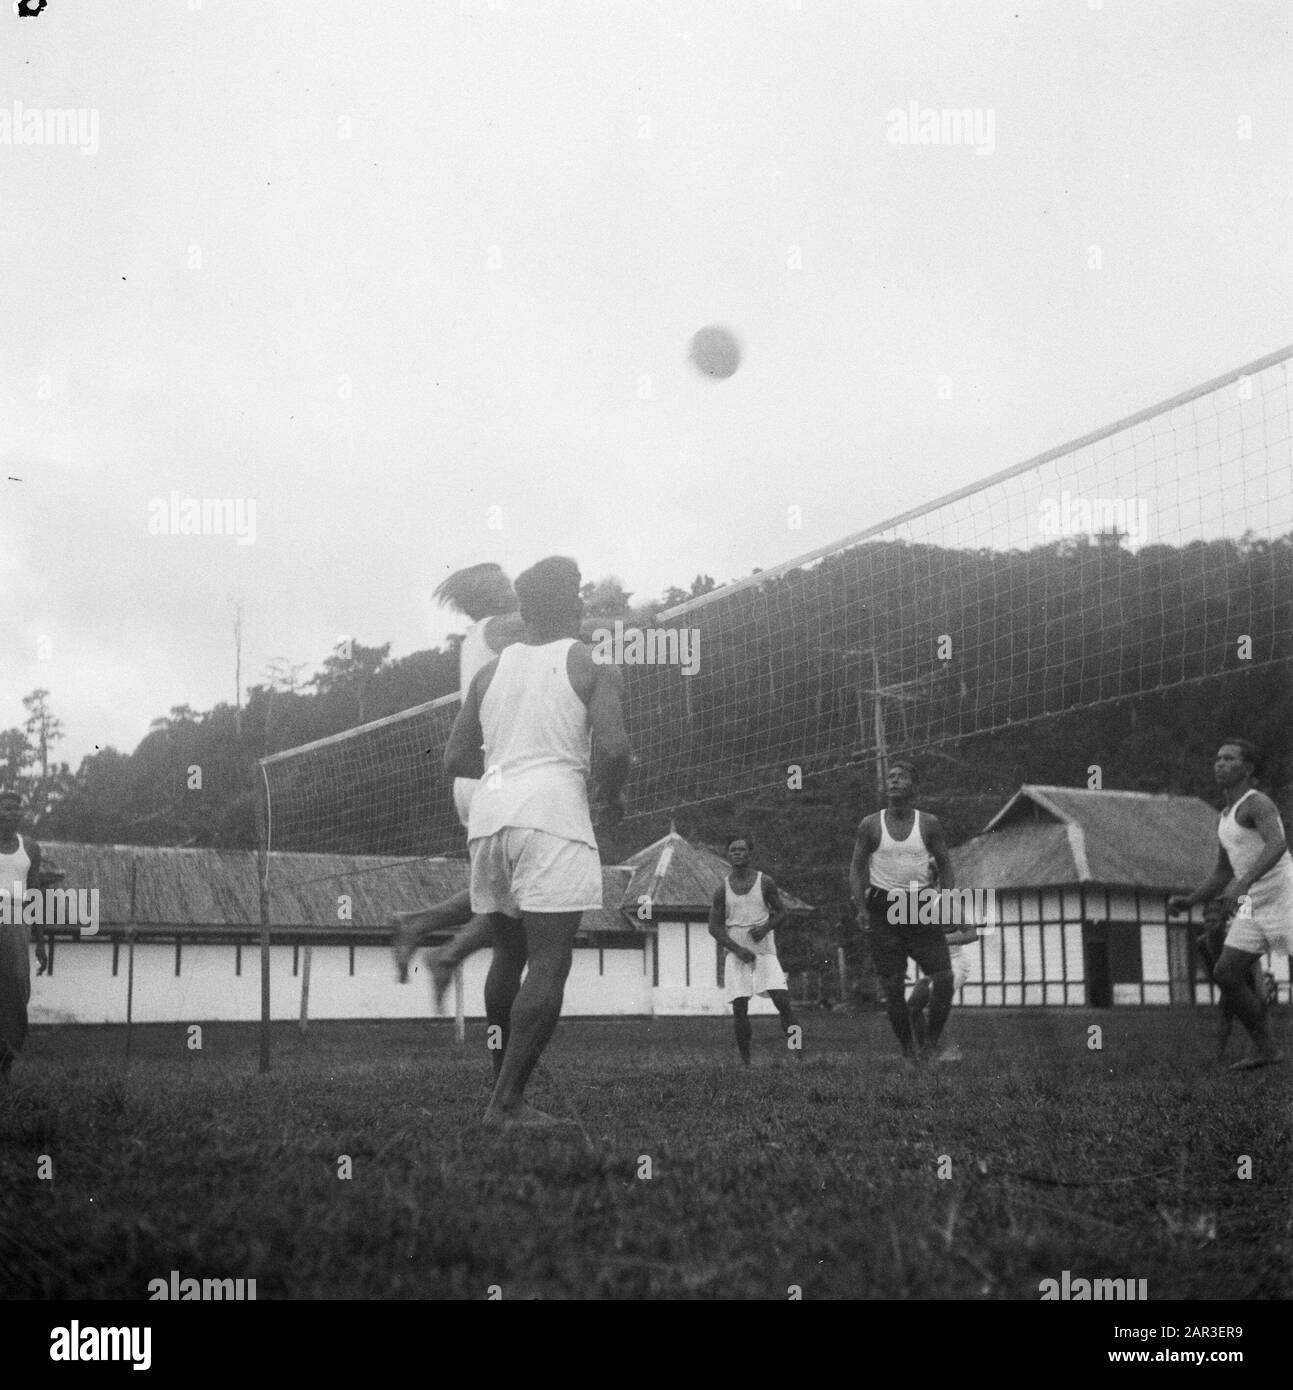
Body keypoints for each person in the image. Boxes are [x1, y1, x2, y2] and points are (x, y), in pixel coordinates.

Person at [443, 555, 630, 1127]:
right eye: (577, 593)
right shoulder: (591, 662)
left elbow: (453, 759)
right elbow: (617, 751)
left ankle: (501, 1087)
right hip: (552, 815)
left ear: (524, 609)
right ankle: (507, 1103)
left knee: (508, 956)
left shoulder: (487, 673)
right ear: (571, 604)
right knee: (549, 964)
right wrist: (612, 797)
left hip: (490, 816)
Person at [390, 564, 527, 1004]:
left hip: (479, 778)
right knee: (519, 899)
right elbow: (566, 624)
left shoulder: (478, 637)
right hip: (494, 773)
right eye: (504, 581)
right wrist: (639, 625)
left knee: (507, 894)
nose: (513, 586)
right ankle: (439, 947)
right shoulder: (503, 626)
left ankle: (430, 936)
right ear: (490, 594)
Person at [1169, 738, 1292, 1070]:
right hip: (1252, 903)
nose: (1218, 764)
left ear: (1248, 768)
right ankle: (1266, 1048)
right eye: (1217, 758)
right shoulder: (1224, 818)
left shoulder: (1258, 803)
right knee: (1226, 972)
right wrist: (1190, 899)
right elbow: (1224, 872)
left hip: (1284, 896)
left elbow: (1278, 844)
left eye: (1228, 759)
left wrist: (1244, 882)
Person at [849, 760, 958, 1063]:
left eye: (902, 777)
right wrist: (860, 906)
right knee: (893, 986)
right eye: (891, 777)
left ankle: (931, 1044)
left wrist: (947, 902)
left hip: (919, 905)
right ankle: (908, 1049)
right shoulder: (870, 824)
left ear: (913, 785)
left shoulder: (929, 823)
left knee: (945, 979)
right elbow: (857, 869)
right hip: (883, 907)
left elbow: (946, 865)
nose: (894, 781)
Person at [707, 835, 798, 1065]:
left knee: (782, 1002)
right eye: (732, 850)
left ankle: (798, 1055)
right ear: (728, 855)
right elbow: (714, 926)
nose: (736, 853)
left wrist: (766, 927)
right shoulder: (722, 889)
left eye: (741, 849)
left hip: (764, 950)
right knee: (739, 1008)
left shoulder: (764, 882)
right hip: (737, 954)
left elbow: (783, 912)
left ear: (750, 854)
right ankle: (745, 1062)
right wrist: (736, 949)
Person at [0, 790, 48, 1082]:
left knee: (17, 991)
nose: (12, 814)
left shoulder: (29, 847)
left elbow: (35, 895)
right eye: (6, 808)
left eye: (17, 810)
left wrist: (40, 941)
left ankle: (5, 1063)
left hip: (17, 922)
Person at [907, 910, 980, 1063]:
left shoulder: (948, 905)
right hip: (935, 965)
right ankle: (926, 1052)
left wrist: (942, 939)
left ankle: (949, 1051)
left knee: (938, 999)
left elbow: (972, 935)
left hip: (955, 962)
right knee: (914, 1005)